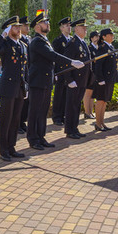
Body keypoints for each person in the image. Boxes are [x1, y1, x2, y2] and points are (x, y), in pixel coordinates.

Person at [26, 11, 83, 149]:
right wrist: (71, 62)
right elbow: (52, 55)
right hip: (37, 82)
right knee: (35, 112)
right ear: (37, 26)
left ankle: (41, 137)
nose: (48, 24)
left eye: (47, 22)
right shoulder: (37, 42)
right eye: (45, 22)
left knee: (43, 111)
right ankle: (33, 139)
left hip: (45, 82)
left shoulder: (45, 40)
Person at [0, 15, 28, 160]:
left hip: (19, 87)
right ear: (9, 29)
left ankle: (11, 147)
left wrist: (26, 87)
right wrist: (3, 35)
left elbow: (26, 68)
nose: (18, 29)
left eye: (19, 27)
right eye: (15, 27)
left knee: (15, 120)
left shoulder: (23, 45)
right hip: (7, 87)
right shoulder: (5, 44)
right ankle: (3, 150)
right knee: (6, 120)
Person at [62, 18, 90, 138]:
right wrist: (69, 80)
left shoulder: (82, 43)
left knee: (77, 105)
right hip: (74, 80)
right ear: (76, 29)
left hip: (82, 80)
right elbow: (66, 63)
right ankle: (69, 130)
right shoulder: (72, 43)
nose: (85, 30)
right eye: (83, 27)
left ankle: (75, 128)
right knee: (71, 105)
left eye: (85, 27)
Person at [92, 28, 117, 131]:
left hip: (109, 79)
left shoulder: (110, 47)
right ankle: (98, 123)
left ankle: (102, 122)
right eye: (110, 35)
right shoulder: (102, 48)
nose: (112, 36)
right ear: (104, 37)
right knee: (100, 101)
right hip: (103, 79)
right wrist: (100, 79)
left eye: (112, 34)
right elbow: (98, 65)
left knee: (105, 101)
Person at [51, 17, 73, 125]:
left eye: (70, 25)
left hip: (70, 72)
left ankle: (64, 115)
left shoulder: (72, 40)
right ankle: (57, 117)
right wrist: (55, 73)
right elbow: (54, 58)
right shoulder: (58, 41)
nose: (69, 27)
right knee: (59, 95)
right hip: (60, 72)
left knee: (67, 95)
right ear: (61, 28)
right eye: (67, 26)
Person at [82, 30, 100, 120]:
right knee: (88, 93)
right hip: (90, 73)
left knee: (93, 94)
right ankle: (87, 112)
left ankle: (91, 112)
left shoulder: (99, 48)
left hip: (97, 74)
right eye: (95, 37)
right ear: (92, 38)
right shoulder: (89, 48)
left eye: (98, 37)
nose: (97, 39)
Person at [17, 16, 31, 134]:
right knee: (20, 102)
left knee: (27, 102)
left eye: (28, 25)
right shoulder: (20, 41)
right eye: (25, 25)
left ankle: (22, 122)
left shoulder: (29, 39)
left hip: (29, 74)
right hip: (22, 75)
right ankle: (17, 124)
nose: (27, 27)